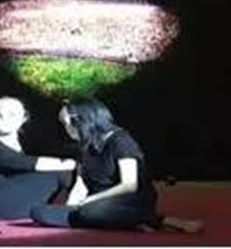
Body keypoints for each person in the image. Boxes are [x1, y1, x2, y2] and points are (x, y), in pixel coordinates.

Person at [30, 99, 202, 233]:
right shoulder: (85, 146)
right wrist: (71, 206)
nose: (66, 129)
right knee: (39, 212)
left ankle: (154, 219)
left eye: (66, 123)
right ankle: (128, 223)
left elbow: (129, 185)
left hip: (127, 201)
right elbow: (81, 184)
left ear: (83, 120)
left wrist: (91, 200)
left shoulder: (120, 140)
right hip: (93, 203)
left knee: (90, 212)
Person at [0, 97, 76, 219]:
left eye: (11, 114)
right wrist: (72, 164)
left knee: (60, 173)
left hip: (0, 197)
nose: (4, 118)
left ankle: (60, 210)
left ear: (24, 118)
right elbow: (19, 162)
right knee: (59, 173)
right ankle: (71, 212)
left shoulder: (22, 145)